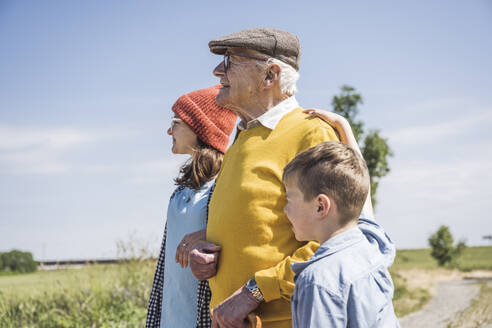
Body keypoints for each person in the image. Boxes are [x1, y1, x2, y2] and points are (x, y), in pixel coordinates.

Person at [189, 28, 339, 328]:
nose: (218, 71)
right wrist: (203, 247)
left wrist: (254, 291)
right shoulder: (243, 137)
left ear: (270, 76)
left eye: (230, 61)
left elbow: (335, 240)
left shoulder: (311, 133)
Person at [283, 109, 400, 327]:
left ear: (320, 206)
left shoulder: (317, 282)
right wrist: (343, 127)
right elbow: (361, 197)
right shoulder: (370, 246)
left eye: (290, 200)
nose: (285, 210)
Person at [145, 85, 237, 328]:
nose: (168, 130)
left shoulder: (224, 188)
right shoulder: (181, 193)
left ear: (200, 128)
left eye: (176, 122)